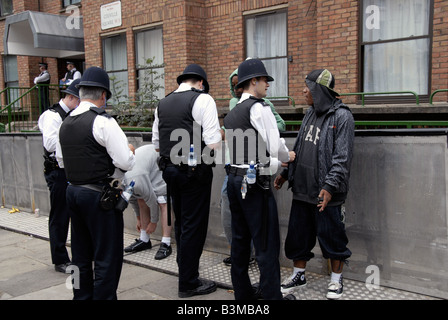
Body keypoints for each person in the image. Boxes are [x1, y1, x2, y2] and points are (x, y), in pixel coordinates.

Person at [274, 69, 354, 300]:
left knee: (333, 238)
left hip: (326, 193)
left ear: (319, 90)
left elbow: (343, 158)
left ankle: (336, 280)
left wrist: (329, 187)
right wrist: (285, 173)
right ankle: (299, 275)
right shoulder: (309, 113)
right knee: (298, 237)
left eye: (307, 87)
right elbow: (298, 148)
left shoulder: (342, 117)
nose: (303, 91)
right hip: (302, 190)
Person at [57, 66, 135, 300]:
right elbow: (125, 161)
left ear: (81, 93)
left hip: (73, 192)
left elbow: (62, 161)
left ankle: (80, 297)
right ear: (103, 95)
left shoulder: (65, 123)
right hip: (99, 197)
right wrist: (130, 150)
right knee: (106, 257)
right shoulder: (102, 122)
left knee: (80, 255)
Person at [223, 58, 295, 300]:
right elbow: (274, 147)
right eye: (265, 80)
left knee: (241, 241)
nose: (267, 85)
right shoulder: (259, 108)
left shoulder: (232, 113)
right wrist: (288, 156)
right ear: (253, 81)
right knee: (266, 244)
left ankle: (243, 296)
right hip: (254, 183)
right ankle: (271, 296)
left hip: (234, 179)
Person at [152, 63, 222, 298]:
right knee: (194, 226)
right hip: (195, 173)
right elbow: (213, 143)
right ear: (201, 82)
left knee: (182, 223)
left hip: (170, 172)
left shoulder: (162, 103)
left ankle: (186, 272)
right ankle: (189, 283)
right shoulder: (203, 99)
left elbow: (157, 144)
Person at [37, 78, 81, 274]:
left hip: (71, 170)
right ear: (71, 97)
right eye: (79, 100)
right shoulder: (53, 116)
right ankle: (60, 259)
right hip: (58, 171)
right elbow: (51, 145)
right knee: (60, 216)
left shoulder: (70, 115)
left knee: (77, 214)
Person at [123, 144, 173, 260]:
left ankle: (166, 242)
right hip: (144, 167)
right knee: (141, 199)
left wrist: (153, 222)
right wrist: (138, 218)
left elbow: (152, 200)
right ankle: (144, 239)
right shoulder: (121, 181)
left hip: (157, 161)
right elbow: (133, 198)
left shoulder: (135, 179)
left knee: (163, 201)